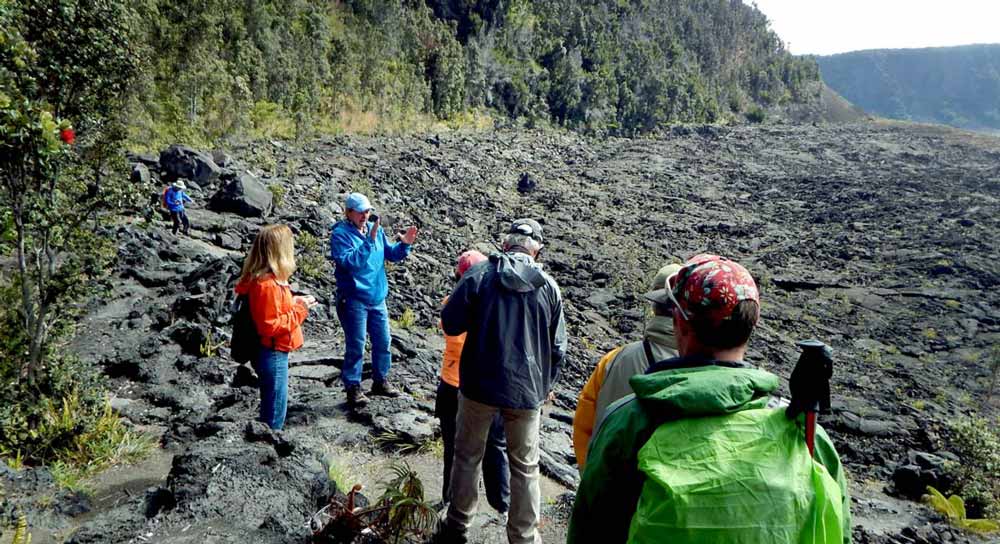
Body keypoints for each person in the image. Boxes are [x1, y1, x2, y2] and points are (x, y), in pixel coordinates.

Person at [568, 254, 851, 544]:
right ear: (750, 327)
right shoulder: (803, 432)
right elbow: (837, 528)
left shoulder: (629, 421)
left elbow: (592, 530)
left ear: (681, 324)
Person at [437, 219, 567, 544]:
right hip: (526, 394)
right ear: (536, 250)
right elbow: (558, 348)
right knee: (525, 466)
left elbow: (451, 323)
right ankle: (523, 537)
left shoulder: (479, 276)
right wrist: (543, 386)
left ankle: (458, 525)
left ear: (506, 244)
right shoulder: (548, 287)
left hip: (479, 386)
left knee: (468, 456)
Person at [571, 263, 681, 470]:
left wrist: (590, 478)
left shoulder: (615, 360)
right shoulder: (708, 369)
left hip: (610, 487)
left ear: (654, 306)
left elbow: (584, 425)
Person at [436, 250, 510, 515]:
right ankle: (501, 504)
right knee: (494, 446)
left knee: (454, 449)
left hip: (450, 384)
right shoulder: (490, 310)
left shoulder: (450, 304)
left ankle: (451, 500)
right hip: (481, 387)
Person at [329, 192, 418, 406]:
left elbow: (391, 254)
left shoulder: (375, 230)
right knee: (357, 345)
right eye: (360, 212)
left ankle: (381, 381)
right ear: (348, 212)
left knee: (383, 341)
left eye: (367, 211)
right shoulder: (340, 235)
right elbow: (351, 263)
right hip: (354, 298)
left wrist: (404, 245)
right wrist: (368, 242)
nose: (365, 216)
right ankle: (353, 387)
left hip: (377, 297)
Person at [234, 224, 318, 430]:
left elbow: (273, 311)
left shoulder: (265, 279)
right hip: (272, 351)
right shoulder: (267, 285)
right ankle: (266, 450)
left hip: (268, 350)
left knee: (272, 404)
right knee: (274, 412)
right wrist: (301, 309)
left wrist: (296, 301)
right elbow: (270, 326)